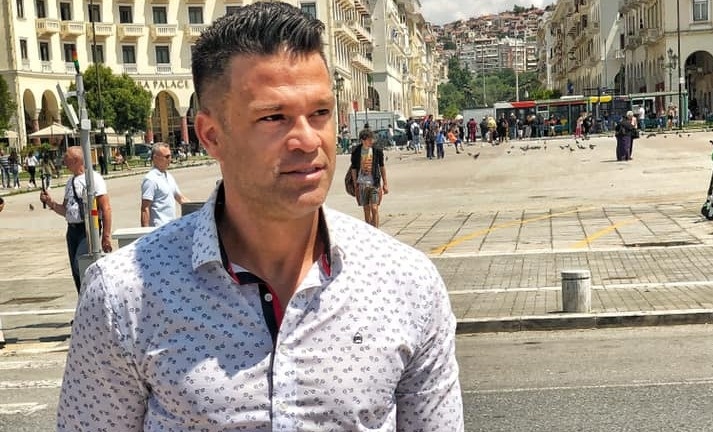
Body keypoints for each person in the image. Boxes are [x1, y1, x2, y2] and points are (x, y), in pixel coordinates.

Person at [56, 3, 463, 431]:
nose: (308, 140)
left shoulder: (405, 284)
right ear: (211, 135)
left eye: (320, 113)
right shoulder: (125, 297)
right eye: (274, 118)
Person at [39, 146, 113, 293]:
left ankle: (93, 296)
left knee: (81, 265)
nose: (64, 161)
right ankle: (82, 300)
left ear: (76, 160)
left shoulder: (93, 178)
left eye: (66, 158)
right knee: (75, 271)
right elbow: (65, 210)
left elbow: (106, 208)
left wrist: (106, 235)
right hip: (72, 231)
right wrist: (50, 203)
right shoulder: (70, 182)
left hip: (87, 229)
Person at [140, 142, 190, 227]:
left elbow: (180, 198)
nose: (170, 159)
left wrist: (200, 208)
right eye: (167, 156)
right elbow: (145, 208)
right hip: (158, 228)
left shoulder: (169, 176)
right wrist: (145, 232)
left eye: (170, 156)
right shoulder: (151, 179)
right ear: (155, 158)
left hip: (171, 227)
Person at [351, 128, 388, 227]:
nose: (372, 141)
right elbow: (354, 168)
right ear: (363, 140)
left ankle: (376, 231)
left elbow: (382, 167)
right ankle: (369, 230)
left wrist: (385, 183)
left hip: (374, 183)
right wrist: (355, 184)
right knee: (366, 209)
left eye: (372, 139)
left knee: (374, 208)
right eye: (369, 139)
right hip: (362, 184)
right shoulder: (356, 151)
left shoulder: (377, 150)